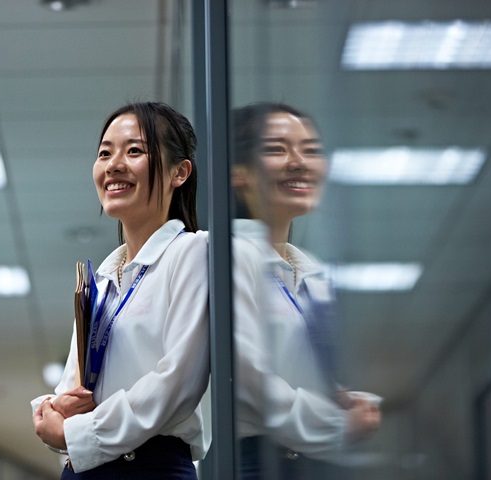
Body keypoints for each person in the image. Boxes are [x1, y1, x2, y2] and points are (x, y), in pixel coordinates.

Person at [31, 102, 210, 479]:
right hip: (84, 469)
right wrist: (56, 408)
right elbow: (76, 385)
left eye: (134, 151)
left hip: (150, 468)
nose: (113, 165)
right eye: (104, 153)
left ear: (180, 172)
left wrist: (78, 432)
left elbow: (177, 383)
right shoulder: (102, 281)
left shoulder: (192, 253)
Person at [231, 102, 382, 479]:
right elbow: (247, 379)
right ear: (239, 173)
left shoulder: (311, 272)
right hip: (258, 463)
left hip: (315, 462)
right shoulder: (223, 259)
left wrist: (345, 399)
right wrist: (336, 425)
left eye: (311, 149)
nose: (299, 162)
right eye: (277, 149)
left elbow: (304, 369)